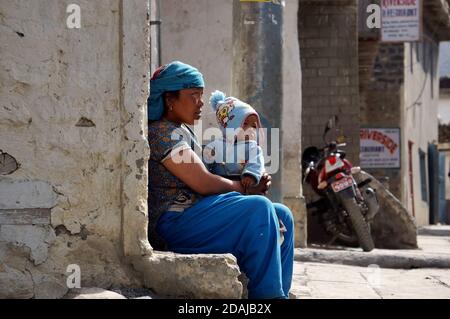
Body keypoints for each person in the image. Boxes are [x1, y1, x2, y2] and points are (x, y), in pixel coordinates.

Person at [147, 60, 294, 299]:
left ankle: (280, 293)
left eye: (202, 95)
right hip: (175, 222)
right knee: (258, 208)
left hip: (199, 213)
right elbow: (203, 182)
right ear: (169, 99)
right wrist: (245, 190)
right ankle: (268, 298)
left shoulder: (183, 131)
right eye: (194, 95)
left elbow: (212, 175)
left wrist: (248, 178)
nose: (201, 103)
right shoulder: (162, 133)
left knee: (281, 215)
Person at [204, 90, 287, 243]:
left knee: (262, 205)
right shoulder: (215, 146)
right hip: (220, 188)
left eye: (254, 126)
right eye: (245, 124)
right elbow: (205, 164)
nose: (250, 129)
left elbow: (256, 163)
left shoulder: (253, 148)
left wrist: (250, 175)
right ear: (229, 126)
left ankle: (272, 232)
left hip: (246, 185)